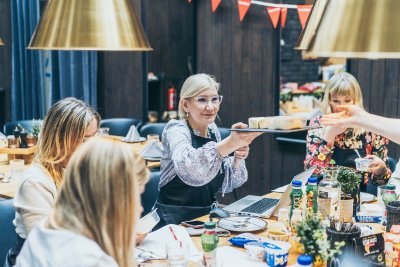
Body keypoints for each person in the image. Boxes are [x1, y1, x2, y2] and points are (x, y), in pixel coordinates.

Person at [15, 138, 149, 267]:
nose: (140, 208)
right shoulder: (89, 260)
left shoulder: (46, 229)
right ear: (112, 198)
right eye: (135, 196)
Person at [154, 73, 261, 227]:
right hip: (172, 223)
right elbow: (191, 167)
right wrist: (229, 144)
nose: (210, 107)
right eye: (202, 100)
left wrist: (237, 156)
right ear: (185, 105)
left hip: (205, 221)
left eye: (215, 99)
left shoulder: (212, 130)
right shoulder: (176, 130)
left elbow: (224, 183)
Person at [5, 98, 100, 266]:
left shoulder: (83, 170)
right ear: (60, 139)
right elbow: (49, 249)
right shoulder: (35, 183)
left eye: (96, 136)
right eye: (85, 140)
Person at [304, 72, 391, 193]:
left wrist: (382, 171)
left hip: (357, 198)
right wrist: (328, 136)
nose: (341, 107)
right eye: (336, 101)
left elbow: (383, 182)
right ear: (329, 100)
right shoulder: (318, 125)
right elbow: (311, 173)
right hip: (323, 197)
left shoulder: (370, 129)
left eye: (347, 100)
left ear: (356, 101)